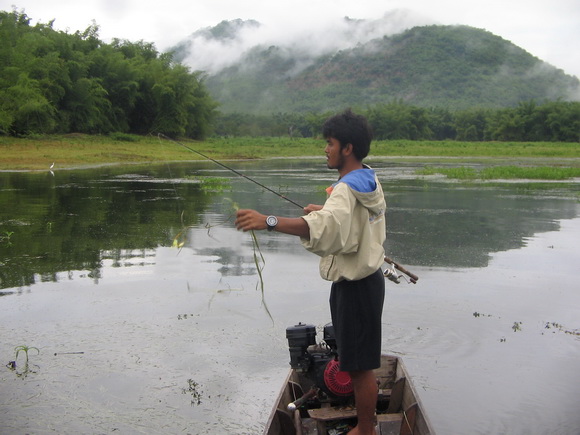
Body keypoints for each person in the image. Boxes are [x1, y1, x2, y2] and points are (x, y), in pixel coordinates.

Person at [234, 109, 386, 435]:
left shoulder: (347, 190)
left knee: (359, 370)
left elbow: (325, 230)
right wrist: (326, 209)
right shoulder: (367, 179)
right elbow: (346, 222)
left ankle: (366, 430)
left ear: (347, 148)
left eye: (330, 143)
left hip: (356, 286)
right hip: (365, 284)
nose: (326, 149)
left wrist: (268, 221)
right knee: (359, 363)